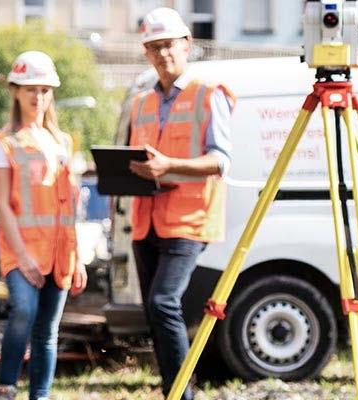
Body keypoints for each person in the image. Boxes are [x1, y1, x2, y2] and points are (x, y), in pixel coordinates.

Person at [125, 8, 235, 399]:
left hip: (189, 218)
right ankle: (173, 390)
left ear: (186, 45)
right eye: (153, 48)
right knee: (155, 313)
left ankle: (183, 394)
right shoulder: (140, 104)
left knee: (162, 301)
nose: (162, 54)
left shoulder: (209, 95)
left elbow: (221, 160)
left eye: (168, 45)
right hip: (147, 219)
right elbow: (134, 157)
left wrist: (170, 166)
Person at [0, 50, 88, 400]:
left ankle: (40, 396)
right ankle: (6, 387)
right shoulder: (4, 144)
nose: (38, 96)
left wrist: (80, 258)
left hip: (60, 252)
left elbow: (72, 207)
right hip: (21, 250)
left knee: (48, 330)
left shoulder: (63, 143)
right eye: (31, 88)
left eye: (45, 89)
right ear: (15, 90)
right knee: (24, 311)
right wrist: (24, 256)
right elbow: (2, 205)